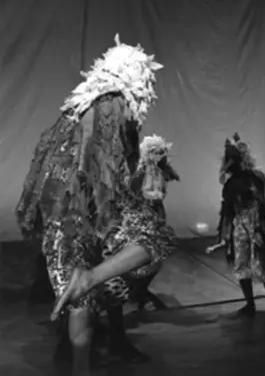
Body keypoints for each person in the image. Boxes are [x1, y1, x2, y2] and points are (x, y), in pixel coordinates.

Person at [15, 34, 175, 376]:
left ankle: (82, 364)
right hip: (89, 206)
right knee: (155, 237)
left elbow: (47, 170)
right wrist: (123, 205)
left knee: (79, 301)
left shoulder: (73, 111)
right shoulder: (112, 105)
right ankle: (90, 280)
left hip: (59, 215)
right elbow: (106, 169)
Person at [206, 133, 265, 317]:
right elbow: (228, 210)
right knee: (241, 264)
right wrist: (226, 234)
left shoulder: (256, 179)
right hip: (240, 227)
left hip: (256, 226)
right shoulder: (231, 184)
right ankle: (250, 304)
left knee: (262, 264)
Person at [130, 134, 180, 316]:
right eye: (157, 153)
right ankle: (139, 293)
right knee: (145, 256)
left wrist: (157, 198)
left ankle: (140, 292)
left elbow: (161, 191)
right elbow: (135, 193)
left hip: (156, 215)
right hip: (143, 217)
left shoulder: (159, 172)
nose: (160, 157)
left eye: (161, 153)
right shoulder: (140, 173)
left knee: (156, 258)